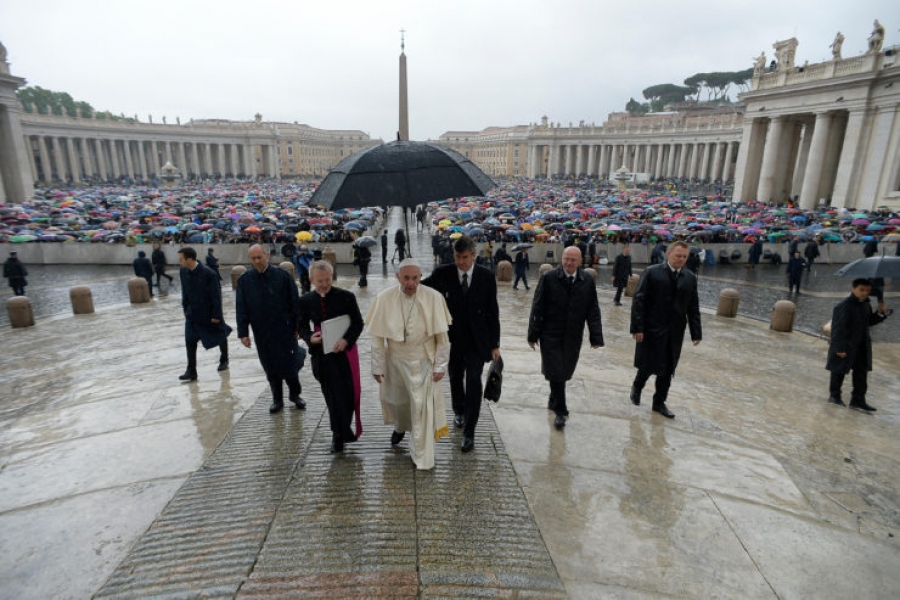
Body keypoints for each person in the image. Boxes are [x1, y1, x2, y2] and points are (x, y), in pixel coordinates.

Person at [365, 258, 452, 470]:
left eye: (415, 278)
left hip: (423, 361)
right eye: (406, 278)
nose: (411, 283)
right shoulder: (384, 298)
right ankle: (401, 427)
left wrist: (440, 365)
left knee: (421, 408)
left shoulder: (433, 297)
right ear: (398, 277)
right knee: (400, 403)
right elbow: (377, 338)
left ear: (420, 277)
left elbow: (442, 337)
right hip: (395, 361)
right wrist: (378, 367)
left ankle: (421, 456)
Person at [422, 235, 501, 452]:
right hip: (452, 339)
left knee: (474, 380)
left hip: (477, 341)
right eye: (457, 257)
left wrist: (495, 344)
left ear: (474, 255)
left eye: (464, 257)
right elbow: (422, 289)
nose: (460, 262)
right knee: (455, 377)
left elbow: (493, 312)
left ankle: (470, 431)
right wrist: (408, 280)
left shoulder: (486, 276)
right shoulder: (443, 273)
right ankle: (458, 410)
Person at [527, 246, 604, 430]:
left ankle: (554, 397)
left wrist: (596, 336)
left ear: (580, 262)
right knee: (556, 369)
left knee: (565, 371)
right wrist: (533, 334)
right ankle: (561, 411)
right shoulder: (549, 278)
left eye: (573, 260)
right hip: (550, 333)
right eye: (566, 259)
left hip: (573, 335)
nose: (569, 263)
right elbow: (537, 306)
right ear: (562, 259)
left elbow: (593, 309)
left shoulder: (586, 280)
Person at [629, 241, 702, 419]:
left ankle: (659, 402)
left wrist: (696, 332)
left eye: (685, 256)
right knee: (648, 363)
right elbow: (639, 301)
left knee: (668, 369)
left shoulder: (690, 277)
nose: (681, 259)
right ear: (669, 254)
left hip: (675, 331)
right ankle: (637, 387)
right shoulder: (652, 272)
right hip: (652, 328)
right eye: (678, 255)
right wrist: (637, 328)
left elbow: (693, 307)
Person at [298, 260, 364, 453]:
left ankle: (343, 427)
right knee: (332, 396)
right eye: (320, 281)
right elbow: (300, 325)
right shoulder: (305, 300)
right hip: (322, 356)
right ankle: (338, 434)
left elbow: (358, 324)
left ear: (332, 277)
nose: (324, 284)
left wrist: (346, 340)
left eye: (327, 280)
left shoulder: (347, 297)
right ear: (311, 280)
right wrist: (310, 337)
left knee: (348, 395)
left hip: (345, 354)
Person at [236, 245, 305, 414]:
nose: (257, 261)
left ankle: (295, 395)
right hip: (262, 332)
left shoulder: (282, 276)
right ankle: (277, 399)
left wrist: (297, 326)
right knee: (270, 366)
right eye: (253, 258)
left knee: (290, 365)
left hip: (284, 329)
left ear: (267, 256)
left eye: (259, 257)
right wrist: (243, 333)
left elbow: (294, 302)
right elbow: (241, 308)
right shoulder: (245, 280)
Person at [826, 278, 889, 412]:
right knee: (839, 371)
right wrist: (840, 348)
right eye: (861, 290)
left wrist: (880, 313)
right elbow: (838, 329)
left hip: (861, 345)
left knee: (861, 373)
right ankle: (834, 395)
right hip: (846, 344)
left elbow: (868, 322)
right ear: (853, 289)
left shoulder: (865, 304)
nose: (864, 293)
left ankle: (858, 400)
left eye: (867, 291)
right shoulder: (844, 306)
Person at [178, 247, 231, 381]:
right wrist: (185, 308)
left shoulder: (209, 274)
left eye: (181, 259)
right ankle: (191, 371)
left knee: (220, 334)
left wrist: (216, 315)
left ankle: (224, 359)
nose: (179, 262)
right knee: (189, 340)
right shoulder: (183, 271)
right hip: (191, 313)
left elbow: (216, 296)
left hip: (208, 312)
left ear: (189, 259)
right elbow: (184, 291)